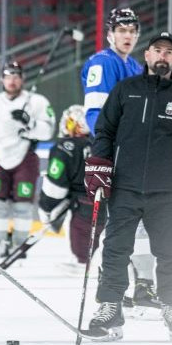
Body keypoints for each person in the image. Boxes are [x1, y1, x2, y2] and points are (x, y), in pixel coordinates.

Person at [84, 32, 172, 342]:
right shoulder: (124, 90)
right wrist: (99, 163)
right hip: (125, 187)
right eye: (157, 50)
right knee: (116, 251)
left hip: (166, 192)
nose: (162, 56)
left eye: (168, 52)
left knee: (170, 253)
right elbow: (104, 130)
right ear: (146, 56)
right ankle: (110, 309)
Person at [81, 7, 160, 317]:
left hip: (137, 159)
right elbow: (94, 115)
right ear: (110, 33)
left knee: (142, 222)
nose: (128, 35)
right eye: (122, 30)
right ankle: (111, 294)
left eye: (132, 30)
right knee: (122, 225)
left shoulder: (136, 67)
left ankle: (141, 287)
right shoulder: (103, 63)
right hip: (115, 158)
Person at [0, 61, 55, 259]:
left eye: (16, 76)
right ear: (2, 79)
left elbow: (48, 131)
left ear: (22, 79)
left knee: (23, 204)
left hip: (25, 156)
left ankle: (19, 245)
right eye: (8, 76)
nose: (12, 80)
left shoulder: (37, 102)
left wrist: (30, 122)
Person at [37, 105, 102, 274]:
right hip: (108, 201)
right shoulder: (103, 144)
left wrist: (46, 207)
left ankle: (81, 261)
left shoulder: (65, 146)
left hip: (81, 203)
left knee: (81, 230)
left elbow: (55, 185)